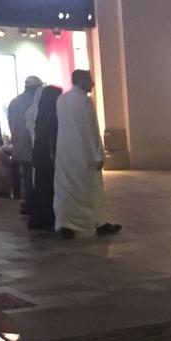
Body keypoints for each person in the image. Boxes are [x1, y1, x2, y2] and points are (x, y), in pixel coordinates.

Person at [54, 69, 121, 238]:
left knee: (66, 189)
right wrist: (98, 155)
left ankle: (66, 224)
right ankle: (100, 222)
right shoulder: (84, 101)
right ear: (81, 81)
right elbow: (91, 130)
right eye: (90, 80)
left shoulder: (61, 100)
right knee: (92, 190)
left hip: (65, 153)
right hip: (84, 153)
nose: (93, 84)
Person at [27, 85, 62, 232]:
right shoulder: (50, 115)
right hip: (48, 157)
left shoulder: (41, 113)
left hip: (41, 156)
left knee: (42, 187)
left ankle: (42, 218)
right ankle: (46, 218)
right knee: (47, 188)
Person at [7, 76, 41, 210]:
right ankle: (33, 202)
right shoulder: (35, 102)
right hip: (32, 143)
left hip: (19, 143)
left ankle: (27, 200)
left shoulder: (14, 101)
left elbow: (11, 123)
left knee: (27, 174)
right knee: (33, 176)